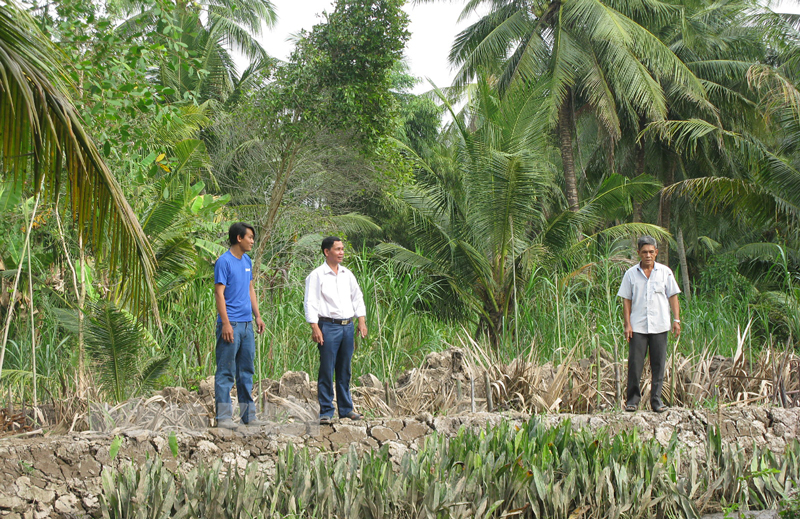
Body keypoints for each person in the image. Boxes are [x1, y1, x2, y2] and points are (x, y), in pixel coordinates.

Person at [304, 236, 368, 424]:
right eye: (337, 249)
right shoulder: (317, 275)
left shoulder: (347, 274)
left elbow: (357, 297)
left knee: (344, 369)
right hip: (328, 326)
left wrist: (361, 321)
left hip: (347, 326)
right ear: (327, 252)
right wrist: (314, 327)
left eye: (342, 249)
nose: (341, 252)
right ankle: (326, 410)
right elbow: (311, 302)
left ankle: (346, 409)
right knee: (326, 368)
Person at [617, 236, 681, 413]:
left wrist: (676, 320)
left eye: (651, 252)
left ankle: (656, 401)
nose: (648, 255)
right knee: (635, 364)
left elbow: (673, 296)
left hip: (660, 325)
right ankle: (632, 401)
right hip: (637, 327)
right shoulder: (630, 274)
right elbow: (627, 301)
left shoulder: (665, 272)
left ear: (656, 253)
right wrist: (627, 325)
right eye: (644, 252)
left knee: (658, 365)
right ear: (638, 253)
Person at [213, 222, 265, 429]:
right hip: (231, 323)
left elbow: (250, 289)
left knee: (246, 371)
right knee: (226, 371)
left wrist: (257, 316)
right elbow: (219, 293)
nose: (252, 241)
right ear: (238, 238)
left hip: (247, 324)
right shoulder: (224, 262)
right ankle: (224, 418)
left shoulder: (247, 260)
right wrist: (225, 323)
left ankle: (248, 416)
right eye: (250, 237)